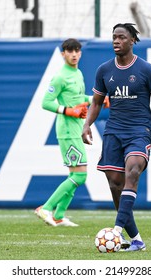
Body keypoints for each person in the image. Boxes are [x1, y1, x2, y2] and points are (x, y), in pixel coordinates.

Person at [82, 23, 151, 251]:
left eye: (121, 37)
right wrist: (87, 124)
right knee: (115, 185)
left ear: (132, 41)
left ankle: (116, 231)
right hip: (114, 131)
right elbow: (96, 102)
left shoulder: (146, 70)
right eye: (114, 37)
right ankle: (137, 240)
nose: (116, 41)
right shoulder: (104, 70)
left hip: (139, 131)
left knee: (133, 171)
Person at [35, 38, 109, 227]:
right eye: (70, 51)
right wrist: (68, 111)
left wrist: (96, 100)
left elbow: (78, 98)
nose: (74, 54)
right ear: (63, 54)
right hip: (67, 131)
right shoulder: (60, 76)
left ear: (80, 53)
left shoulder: (78, 74)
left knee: (74, 175)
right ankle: (46, 208)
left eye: (77, 51)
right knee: (80, 176)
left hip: (77, 128)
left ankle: (58, 216)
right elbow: (46, 102)